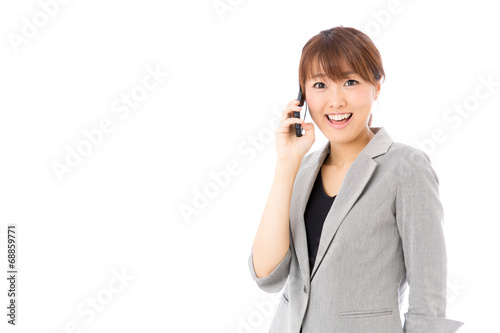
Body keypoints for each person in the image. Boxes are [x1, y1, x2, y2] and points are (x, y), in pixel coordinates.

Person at [248, 26, 464, 332]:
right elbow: (266, 275)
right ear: (303, 96)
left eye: (350, 81)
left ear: (377, 87)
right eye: (320, 85)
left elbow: (428, 299)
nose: (335, 101)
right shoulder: (302, 169)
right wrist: (286, 163)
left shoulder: (406, 168)